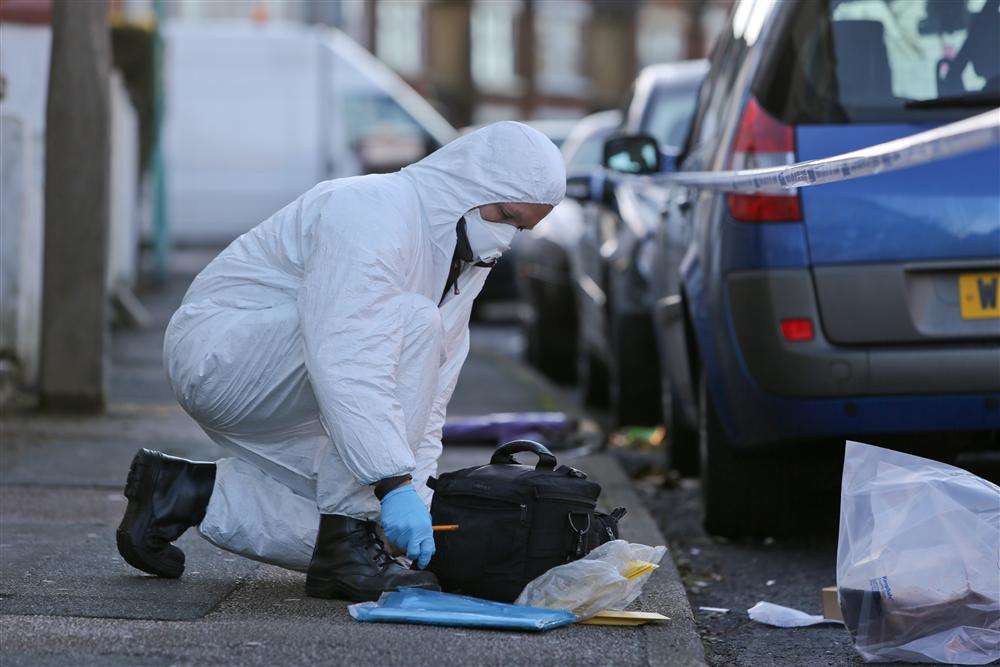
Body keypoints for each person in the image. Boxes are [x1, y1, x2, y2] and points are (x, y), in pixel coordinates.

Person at [115, 122, 565, 602]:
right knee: (410, 329)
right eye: (504, 215)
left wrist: (416, 499)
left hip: (300, 379)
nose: (505, 238)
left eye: (520, 228)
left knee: (368, 532)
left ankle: (180, 492)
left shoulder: (461, 261)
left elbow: (428, 399)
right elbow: (348, 354)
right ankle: (348, 541)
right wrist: (391, 483)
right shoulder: (372, 208)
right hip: (220, 357)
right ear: (468, 183)